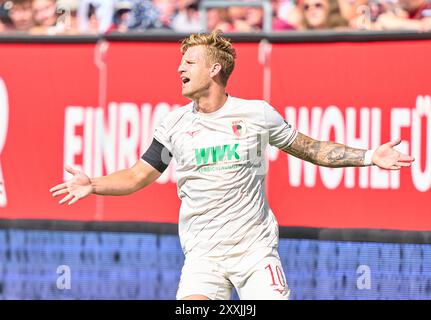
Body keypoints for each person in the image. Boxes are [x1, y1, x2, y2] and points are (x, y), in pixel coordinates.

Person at [50, 30, 415, 300]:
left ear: (215, 69)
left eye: (189, 62)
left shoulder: (256, 115)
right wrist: (93, 184)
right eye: (180, 62)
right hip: (203, 258)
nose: (179, 68)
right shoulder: (174, 125)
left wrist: (369, 156)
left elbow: (311, 149)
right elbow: (137, 175)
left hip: (255, 254)